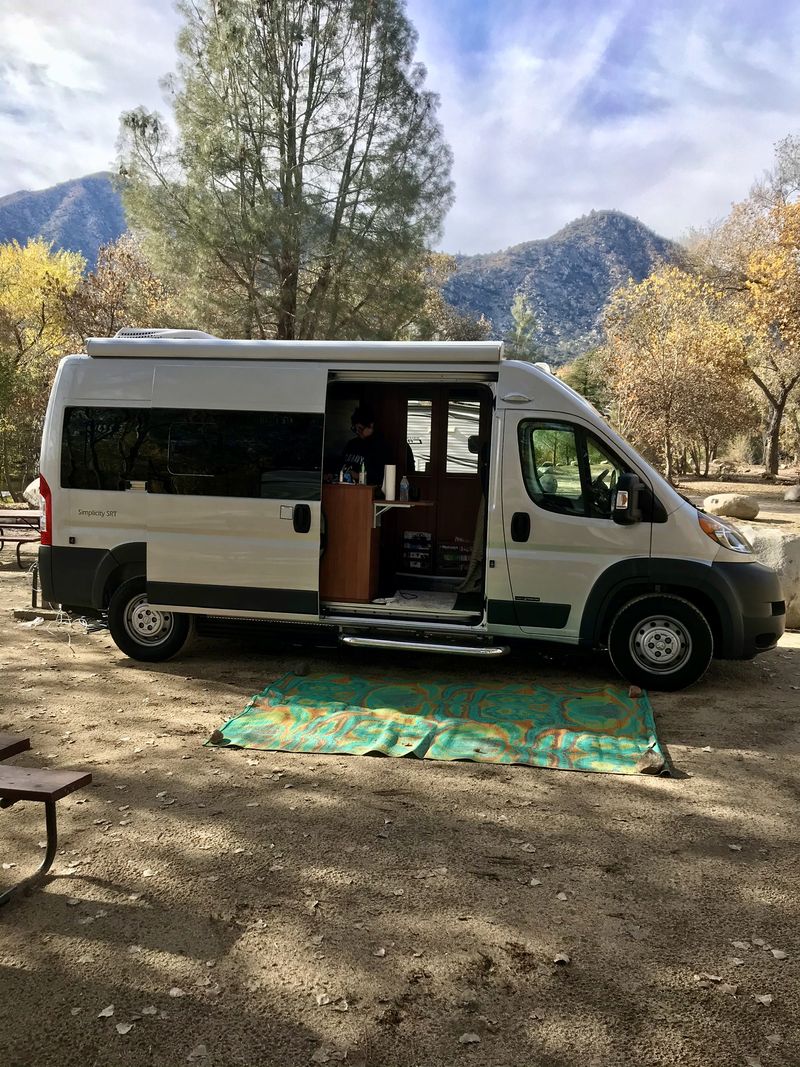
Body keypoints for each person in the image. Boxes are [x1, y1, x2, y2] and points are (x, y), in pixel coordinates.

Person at [339, 405, 390, 486]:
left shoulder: (380, 446)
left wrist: (357, 475)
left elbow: (380, 477)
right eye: (355, 429)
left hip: (366, 492)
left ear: (371, 425)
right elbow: (340, 464)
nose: (357, 432)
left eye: (360, 428)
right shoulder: (351, 444)